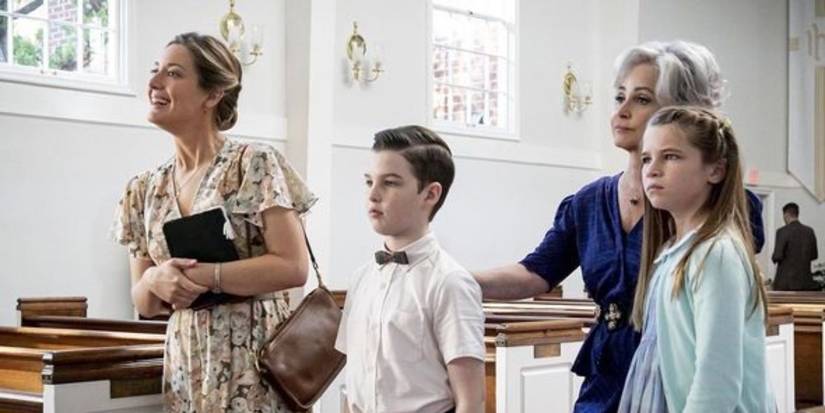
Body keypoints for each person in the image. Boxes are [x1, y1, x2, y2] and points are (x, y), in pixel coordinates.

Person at [472, 40, 765, 413]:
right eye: (619, 97)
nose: (621, 112)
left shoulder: (705, 208)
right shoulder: (589, 201)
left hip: (675, 378)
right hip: (608, 377)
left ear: (680, 110)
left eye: (641, 99)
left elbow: (717, 359)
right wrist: (456, 280)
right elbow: (537, 271)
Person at [112, 32, 317, 412]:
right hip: (187, 361)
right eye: (154, 70)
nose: (154, 83)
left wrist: (201, 276)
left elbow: (293, 266)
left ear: (212, 94)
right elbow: (143, 300)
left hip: (256, 360)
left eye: (173, 73)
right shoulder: (142, 189)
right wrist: (156, 279)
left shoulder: (253, 163)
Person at [619, 106, 774, 412]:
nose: (651, 169)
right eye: (647, 158)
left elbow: (717, 382)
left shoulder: (715, 254)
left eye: (671, 156)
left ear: (715, 170)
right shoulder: (670, 252)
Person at [335, 125, 485, 413]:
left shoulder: (450, 282)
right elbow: (353, 383)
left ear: (430, 194)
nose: (373, 195)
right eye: (369, 182)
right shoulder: (361, 278)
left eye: (390, 183)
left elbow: (471, 401)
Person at [772, 202, 819, 290]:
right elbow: (814, 255)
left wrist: (774, 257)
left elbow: (777, 256)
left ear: (786, 215)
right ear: (797, 214)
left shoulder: (782, 231)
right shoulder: (809, 231)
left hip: (785, 283)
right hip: (805, 283)